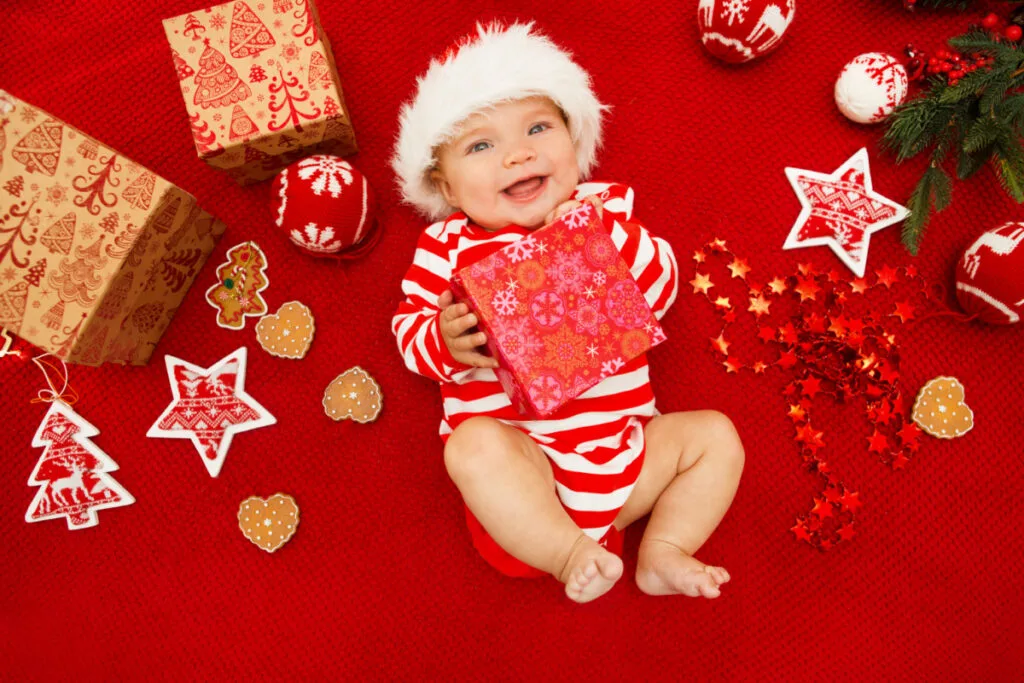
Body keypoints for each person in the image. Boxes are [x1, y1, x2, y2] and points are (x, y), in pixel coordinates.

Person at [391, 22, 744, 603]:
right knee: (470, 445)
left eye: (538, 128)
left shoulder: (603, 211)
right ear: (447, 188)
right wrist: (443, 340)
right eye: (481, 146)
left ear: (574, 144)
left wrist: (603, 238)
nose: (519, 153)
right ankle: (567, 552)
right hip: (523, 478)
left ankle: (664, 550)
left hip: (625, 461)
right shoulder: (448, 247)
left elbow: (662, 287)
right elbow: (408, 333)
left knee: (716, 438)